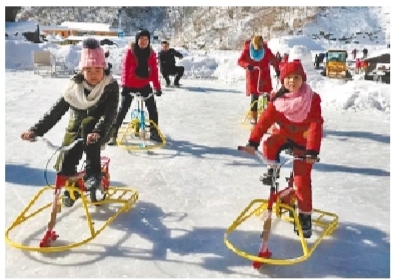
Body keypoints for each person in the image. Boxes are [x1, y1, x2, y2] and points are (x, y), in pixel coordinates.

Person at [20, 38, 119, 207]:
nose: (94, 74)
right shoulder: (74, 88)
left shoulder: (110, 86)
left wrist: (98, 131)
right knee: (64, 165)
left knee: (88, 123)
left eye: (98, 69)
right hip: (75, 131)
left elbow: (110, 114)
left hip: (100, 130)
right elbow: (55, 112)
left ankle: (93, 174)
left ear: (104, 68)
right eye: (89, 69)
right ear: (82, 70)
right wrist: (36, 130)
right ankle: (72, 188)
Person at [242, 59, 323, 239]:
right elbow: (264, 122)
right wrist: (253, 141)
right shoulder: (278, 100)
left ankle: (304, 216)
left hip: (303, 143)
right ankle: (272, 169)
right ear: (282, 80)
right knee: (269, 143)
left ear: (303, 79)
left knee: (301, 182)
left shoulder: (311, 99)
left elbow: (315, 126)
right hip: (285, 135)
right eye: (288, 78)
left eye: (296, 77)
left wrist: (312, 151)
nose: (292, 81)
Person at [108, 30, 163, 145]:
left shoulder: (151, 54)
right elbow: (125, 69)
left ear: (149, 41)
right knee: (123, 108)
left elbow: (154, 72)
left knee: (152, 108)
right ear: (137, 40)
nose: (143, 42)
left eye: (146, 40)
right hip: (130, 85)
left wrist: (157, 87)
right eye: (141, 39)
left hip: (144, 85)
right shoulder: (130, 52)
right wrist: (125, 86)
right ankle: (113, 132)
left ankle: (154, 132)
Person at [237, 35, 280, 124]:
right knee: (254, 97)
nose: (258, 49)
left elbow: (274, 60)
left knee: (268, 96)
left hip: (264, 76)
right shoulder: (247, 50)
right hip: (253, 77)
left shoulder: (266, 50)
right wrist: (247, 65)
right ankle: (254, 117)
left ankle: (268, 115)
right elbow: (240, 61)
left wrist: (277, 69)